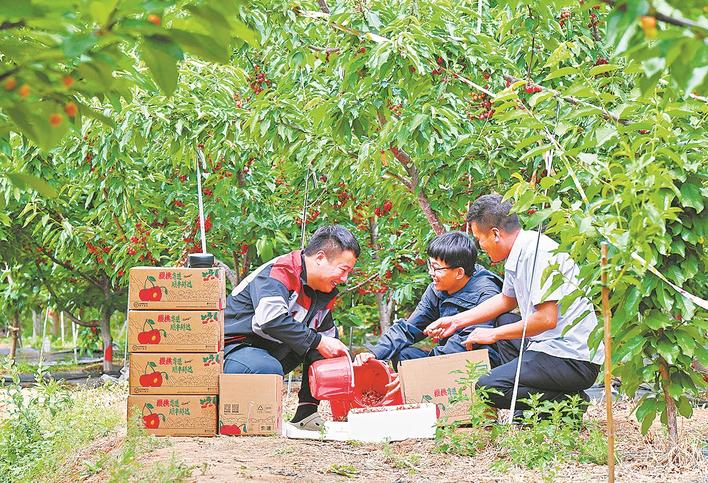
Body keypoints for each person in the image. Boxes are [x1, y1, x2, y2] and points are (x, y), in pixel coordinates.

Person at [425, 194, 604, 413]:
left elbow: (546, 319)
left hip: (572, 357)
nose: (480, 246)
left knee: (488, 387)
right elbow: (505, 300)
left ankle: (570, 403)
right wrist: (455, 321)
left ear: (495, 234)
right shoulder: (519, 252)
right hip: (547, 346)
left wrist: (493, 334)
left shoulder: (537, 253)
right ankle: (527, 412)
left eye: (479, 239)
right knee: (504, 319)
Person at [223, 225, 359, 430]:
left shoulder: (322, 292)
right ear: (320, 258)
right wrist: (318, 341)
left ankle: (307, 413)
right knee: (268, 368)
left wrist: (350, 358)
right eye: (343, 269)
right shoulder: (280, 271)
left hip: (271, 352)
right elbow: (270, 319)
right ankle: (249, 420)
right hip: (235, 350)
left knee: (329, 349)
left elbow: (328, 341)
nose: (344, 279)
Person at [354, 231, 520, 385]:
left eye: (436, 268)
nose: (431, 273)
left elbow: (468, 341)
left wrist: (425, 368)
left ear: (459, 273)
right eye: (430, 265)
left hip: (478, 362)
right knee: (403, 356)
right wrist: (375, 352)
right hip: (445, 357)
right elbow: (409, 328)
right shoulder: (437, 289)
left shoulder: (487, 291)